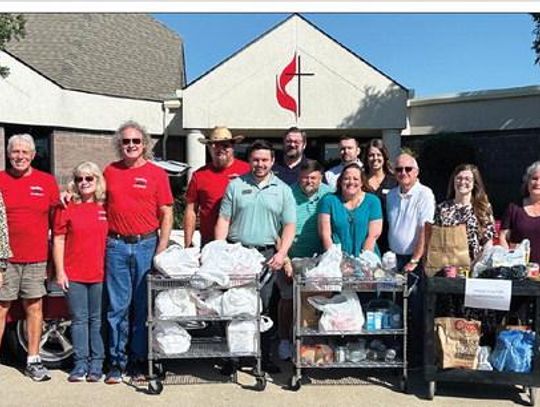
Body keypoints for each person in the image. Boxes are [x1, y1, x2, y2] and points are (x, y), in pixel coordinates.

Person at [215, 139, 296, 373]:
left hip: (266, 256)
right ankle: (232, 358)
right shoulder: (235, 186)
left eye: (264, 160)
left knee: (264, 308)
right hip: (237, 253)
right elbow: (224, 220)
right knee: (232, 306)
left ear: (272, 162)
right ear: (249, 161)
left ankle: (264, 357)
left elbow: (289, 225)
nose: (260, 164)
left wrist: (282, 254)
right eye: (255, 160)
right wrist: (220, 250)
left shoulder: (282, 190)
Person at [104, 121, 173, 384]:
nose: (131, 145)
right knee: (117, 308)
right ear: (119, 145)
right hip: (116, 246)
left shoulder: (157, 174)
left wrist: (162, 248)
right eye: (125, 141)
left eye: (135, 141)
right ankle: (116, 363)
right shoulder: (109, 171)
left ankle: (138, 361)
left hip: (146, 245)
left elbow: (167, 212)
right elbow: (90, 195)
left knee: (143, 308)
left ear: (144, 143)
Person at [0, 134, 60, 382]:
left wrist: (54, 263)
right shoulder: (0, 180)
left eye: (25, 152)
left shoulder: (46, 182)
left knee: (34, 309)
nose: (20, 156)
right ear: (8, 154)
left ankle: (33, 360)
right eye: (15, 152)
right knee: (1, 308)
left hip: (36, 259)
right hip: (4, 260)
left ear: (33, 155)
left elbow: (58, 223)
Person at [53, 162, 108, 382]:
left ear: (97, 181)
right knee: (78, 320)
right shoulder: (67, 207)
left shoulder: (106, 207)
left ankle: (97, 364)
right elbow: (58, 240)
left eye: (89, 178)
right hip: (74, 274)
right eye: (79, 179)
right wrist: (60, 271)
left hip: (101, 274)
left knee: (97, 320)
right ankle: (80, 364)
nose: (84, 183)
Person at [275, 160, 331, 360]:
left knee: (317, 302)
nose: (309, 181)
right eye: (305, 177)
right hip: (291, 255)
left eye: (313, 177)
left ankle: (312, 346)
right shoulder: (287, 193)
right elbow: (277, 229)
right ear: (299, 177)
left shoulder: (328, 193)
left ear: (321, 178)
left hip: (319, 260)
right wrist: (285, 259)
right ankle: (284, 340)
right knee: (288, 298)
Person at [386, 153, 435, 367]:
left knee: (415, 308)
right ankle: (398, 353)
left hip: (414, 259)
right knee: (395, 308)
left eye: (408, 169)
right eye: (399, 170)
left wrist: (415, 259)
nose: (403, 173)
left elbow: (426, 228)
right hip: (393, 258)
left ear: (417, 172)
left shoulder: (425, 193)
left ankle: (414, 357)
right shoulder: (391, 195)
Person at [184, 126, 249, 247]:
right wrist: (187, 243)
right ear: (209, 147)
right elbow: (191, 210)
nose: (220, 149)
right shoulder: (199, 175)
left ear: (232, 147)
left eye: (225, 145)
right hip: (210, 241)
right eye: (215, 145)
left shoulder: (247, 171)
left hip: (242, 240)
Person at [431, 164, 495, 262]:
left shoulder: (483, 208)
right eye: (459, 178)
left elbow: (488, 242)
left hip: (475, 266)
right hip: (448, 267)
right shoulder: (442, 208)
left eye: (467, 179)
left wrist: (478, 265)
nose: (462, 182)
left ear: (474, 183)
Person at [319, 162, 382, 256]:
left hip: (366, 257)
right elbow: (325, 235)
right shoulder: (328, 201)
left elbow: (373, 236)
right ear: (340, 182)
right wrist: (336, 260)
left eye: (355, 179)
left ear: (362, 182)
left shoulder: (373, 201)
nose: (351, 182)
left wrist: (363, 261)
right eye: (346, 178)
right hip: (335, 259)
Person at [500, 161, 540, 263]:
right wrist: (508, 259)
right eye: (534, 179)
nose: (537, 183)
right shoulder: (514, 208)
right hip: (519, 270)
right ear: (527, 182)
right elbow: (503, 237)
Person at [363, 139, 398, 253]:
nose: (375, 158)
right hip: (366, 234)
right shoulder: (361, 181)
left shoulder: (394, 181)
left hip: (390, 235)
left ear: (384, 157)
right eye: (371, 155)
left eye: (379, 154)